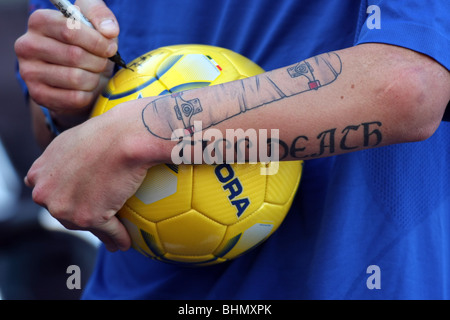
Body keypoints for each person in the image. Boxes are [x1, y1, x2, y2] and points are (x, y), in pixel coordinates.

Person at [15, 0, 450, 299]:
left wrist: (148, 132)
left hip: (349, 279)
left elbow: (407, 85)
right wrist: (64, 92)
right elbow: (59, 135)